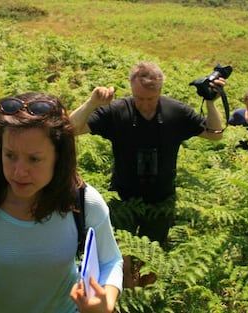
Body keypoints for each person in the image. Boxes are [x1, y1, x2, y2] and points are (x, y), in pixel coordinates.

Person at [0, 92, 123, 313]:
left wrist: (105, 304)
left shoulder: (84, 202)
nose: (19, 172)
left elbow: (111, 261)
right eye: (10, 155)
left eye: (34, 159)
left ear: (58, 157)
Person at [69, 61, 226, 287]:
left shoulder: (175, 112)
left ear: (160, 91)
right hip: (123, 200)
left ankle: (146, 298)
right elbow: (71, 129)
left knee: (151, 262)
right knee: (120, 258)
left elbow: (214, 134)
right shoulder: (118, 111)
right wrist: (92, 103)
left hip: (161, 200)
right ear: (132, 91)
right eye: (139, 98)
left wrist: (210, 102)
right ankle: (124, 296)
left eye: (150, 99)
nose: (144, 104)